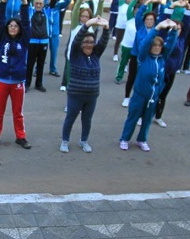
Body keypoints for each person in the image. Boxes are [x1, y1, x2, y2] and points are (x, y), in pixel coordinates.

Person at [119, 20, 178, 152]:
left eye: (159, 46)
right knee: (132, 118)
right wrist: (156, 29)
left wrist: (174, 30)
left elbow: (171, 44)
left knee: (147, 121)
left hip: (153, 97)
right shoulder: (143, 57)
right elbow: (145, 43)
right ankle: (125, 139)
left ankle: (142, 140)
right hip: (140, 95)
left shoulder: (162, 58)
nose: (157, 48)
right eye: (154, 45)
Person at [0, 0, 31, 150]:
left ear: (19, 29)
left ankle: (21, 136)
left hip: (18, 82)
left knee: (17, 112)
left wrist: (24, 2)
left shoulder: (24, 41)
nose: (13, 28)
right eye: (10, 25)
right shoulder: (3, 38)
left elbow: (26, 23)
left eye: (15, 26)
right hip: (2, 81)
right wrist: (4, 1)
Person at [60, 16, 110, 153]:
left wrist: (106, 27)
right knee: (70, 118)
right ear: (82, 43)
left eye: (92, 42)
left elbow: (104, 41)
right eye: (86, 42)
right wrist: (88, 24)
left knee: (87, 120)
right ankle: (65, 141)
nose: (89, 44)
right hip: (76, 95)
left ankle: (84, 141)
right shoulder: (76, 54)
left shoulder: (95, 55)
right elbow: (76, 39)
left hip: (91, 96)